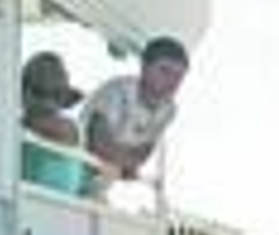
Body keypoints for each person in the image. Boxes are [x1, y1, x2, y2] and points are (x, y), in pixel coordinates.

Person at [82, 36, 189, 180]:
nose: (172, 81)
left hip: (105, 174)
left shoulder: (168, 110)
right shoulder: (118, 91)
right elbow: (99, 144)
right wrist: (126, 162)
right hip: (73, 160)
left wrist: (125, 162)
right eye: (164, 71)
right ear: (144, 67)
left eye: (179, 76)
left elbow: (142, 155)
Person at [21, 52, 91, 195]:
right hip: (31, 200)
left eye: (35, 91)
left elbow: (37, 124)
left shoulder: (68, 128)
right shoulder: (27, 128)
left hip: (47, 206)